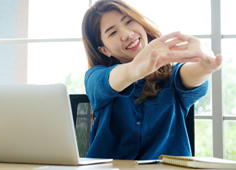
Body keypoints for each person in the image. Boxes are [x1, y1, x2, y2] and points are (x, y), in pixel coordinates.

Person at [81, 0, 222, 160]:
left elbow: (189, 75)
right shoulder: (95, 77)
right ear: (104, 50)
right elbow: (108, 81)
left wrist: (204, 66)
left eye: (128, 22)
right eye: (112, 33)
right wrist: (135, 68)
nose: (127, 34)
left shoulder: (171, 77)